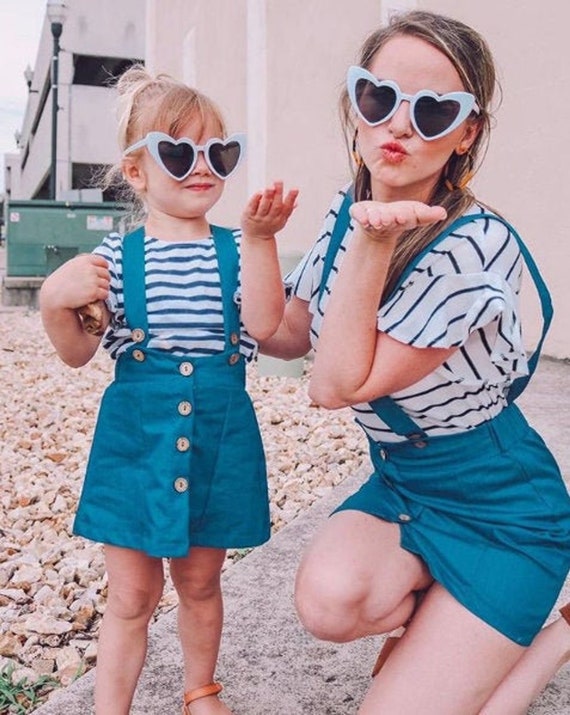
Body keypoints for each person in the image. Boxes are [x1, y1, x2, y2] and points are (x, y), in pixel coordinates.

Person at [260, 10, 570, 715]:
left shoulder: (475, 249)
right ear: (357, 106)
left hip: (505, 512)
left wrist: (372, 246)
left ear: (468, 133)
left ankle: (556, 634)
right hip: (408, 486)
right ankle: (444, 611)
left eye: (434, 110)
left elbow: (334, 383)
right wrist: (249, 243)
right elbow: (287, 329)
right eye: (379, 98)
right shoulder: (353, 209)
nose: (399, 125)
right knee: (329, 602)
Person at [40, 65, 297, 715]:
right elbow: (78, 353)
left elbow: (266, 325)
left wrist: (264, 240)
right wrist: (53, 304)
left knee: (201, 580)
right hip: (134, 442)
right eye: (180, 153)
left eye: (220, 152)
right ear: (136, 171)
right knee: (130, 595)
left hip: (216, 437)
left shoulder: (240, 249)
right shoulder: (113, 259)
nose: (202, 166)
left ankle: (199, 690)